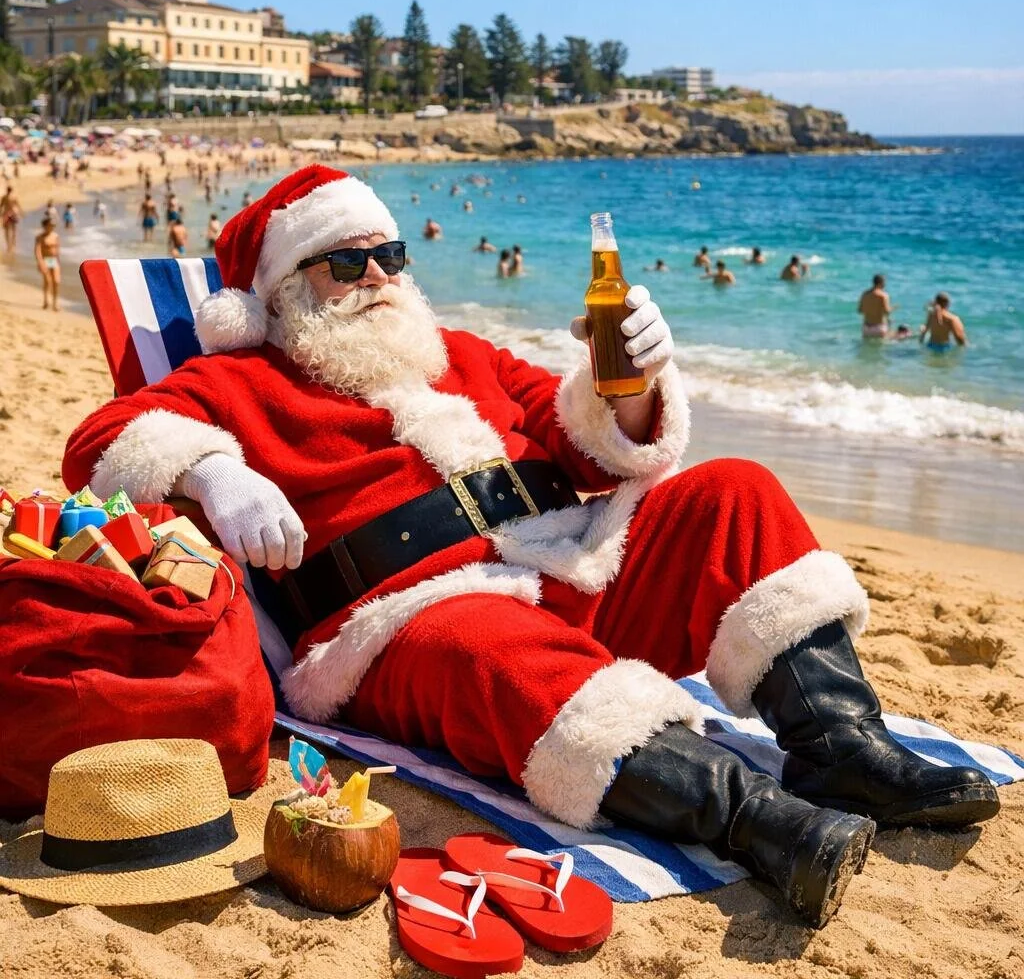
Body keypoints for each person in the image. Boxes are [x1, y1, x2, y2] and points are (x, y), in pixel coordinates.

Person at [63, 169, 999, 930]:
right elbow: (102, 443)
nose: (380, 277)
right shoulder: (238, 378)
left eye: (388, 254)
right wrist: (219, 476)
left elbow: (588, 442)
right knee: (491, 653)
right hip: (410, 622)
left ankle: (841, 744)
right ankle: (755, 819)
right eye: (344, 263)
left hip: (566, 564)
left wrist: (627, 385)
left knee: (733, 492)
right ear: (278, 291)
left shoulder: (459, 353)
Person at [34, 215, 61, 310]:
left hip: (54, 260)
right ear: (45, 226)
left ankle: (55, 303)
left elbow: (57, 250)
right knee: (47, 281)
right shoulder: (40, 237)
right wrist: (40, 262)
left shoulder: (56, 236)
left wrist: (58, 261)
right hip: (45, 260)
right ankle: (46, 301)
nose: (52, 227)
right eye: (50, 225)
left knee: (56, 281)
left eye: (53, 225)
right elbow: (37, 251)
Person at [858, 275, 892, 339]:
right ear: (881, 283)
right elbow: (887, 312)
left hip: (866, 328)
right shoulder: (883, 295)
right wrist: (892, 308)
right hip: (879, 328)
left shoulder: (864, 294)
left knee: (866, 348)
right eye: (884, 283)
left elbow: (860, 310)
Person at [1, 186, 22, 253]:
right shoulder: (13, 197)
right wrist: (21, 212)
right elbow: (18, 205)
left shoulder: (5, 197)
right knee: (13, 230)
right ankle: (12, 245)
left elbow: (1, 206)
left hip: (7, 214)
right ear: (11, 190)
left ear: (7, 190)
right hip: (12, 214)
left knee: (8, 230)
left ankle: (9, 245)